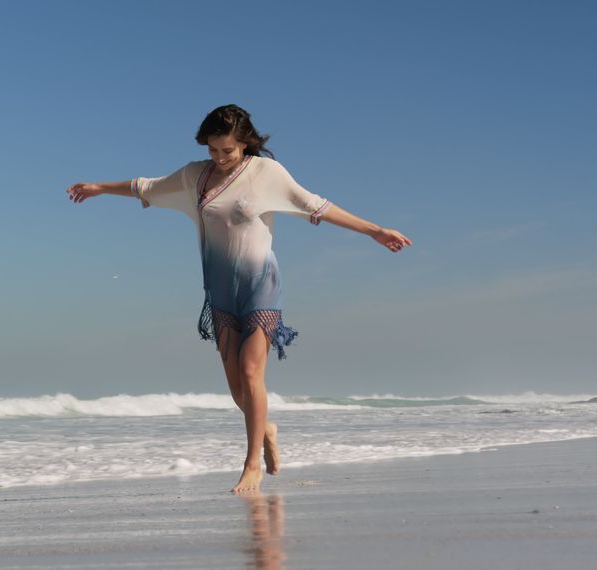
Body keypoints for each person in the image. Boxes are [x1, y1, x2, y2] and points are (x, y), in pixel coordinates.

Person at [67, 104, 412, 493]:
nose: (219, 157)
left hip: (260, 284)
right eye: (213, 149)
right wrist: (98, 188)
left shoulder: (267, 173)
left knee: (251, 372)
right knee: (236, 389)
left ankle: (251, 465)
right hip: (218, 290)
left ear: (245, 143)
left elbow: (316, 205)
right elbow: (145, 186)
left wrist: (375, 231)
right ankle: (265, 427)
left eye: (227, 151)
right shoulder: (195, 176)